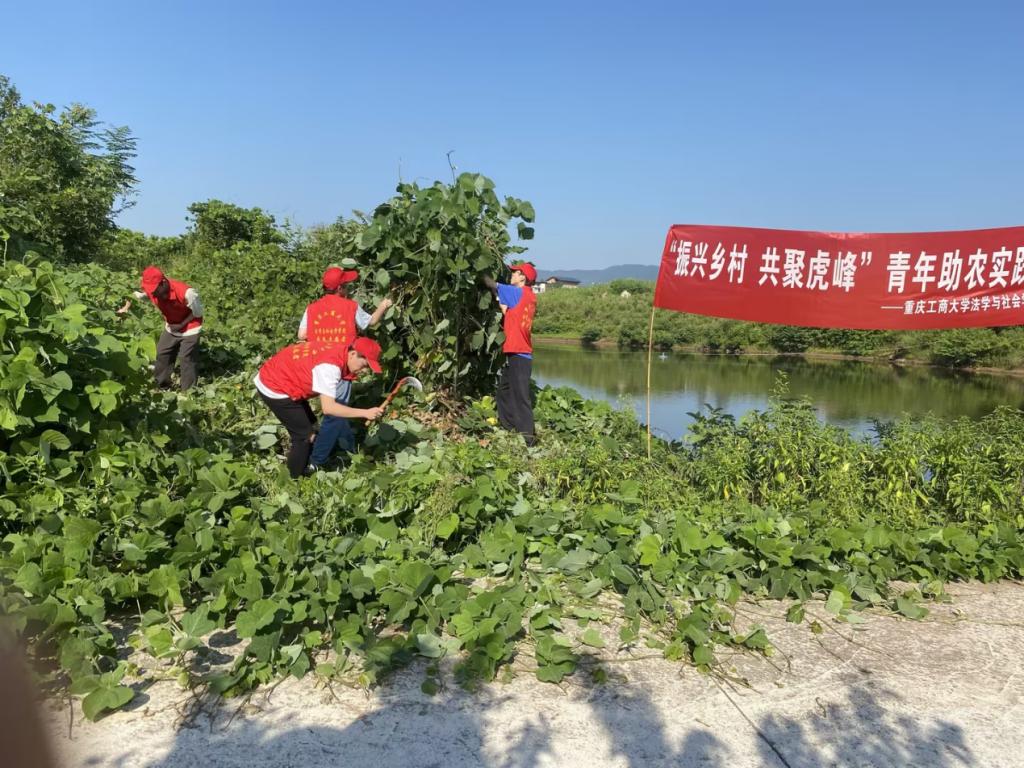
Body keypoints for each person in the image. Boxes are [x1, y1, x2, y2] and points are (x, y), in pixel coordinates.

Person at [298, 266, 393, 468]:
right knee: (333, 415)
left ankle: (350, 448)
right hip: (341, 366)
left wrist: (322, 335)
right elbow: (371, 322)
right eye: (346, 285)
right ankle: (316, 462)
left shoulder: (312, 308)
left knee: (336, 410)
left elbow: (302, 335)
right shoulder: (350, 306)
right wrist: (384, 305)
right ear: (340, 288)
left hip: (315, 366)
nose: (349, 288)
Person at [254, 336, 385, 478]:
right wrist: (365, 413)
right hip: (274, 386)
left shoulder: (341, 350)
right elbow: (329, 408)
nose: (365, 371)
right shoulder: (330, 367)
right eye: (364, 365)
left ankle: (304, 462)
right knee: (305, 437)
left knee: (313, 427)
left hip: (284, 376)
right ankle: (292, 480)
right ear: (353, 354)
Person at [118, 266, 204, 391]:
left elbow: (197, 313)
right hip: (172, 326)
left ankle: (189, 391)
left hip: (191, 327)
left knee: (186, 357)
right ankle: (162, 385)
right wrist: (125, 308)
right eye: (150, 290)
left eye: (154, 289)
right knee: (163, 352)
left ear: (163, 282)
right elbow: (134, 296)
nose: (152, 293)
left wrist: (181, 324)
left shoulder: (187, 292)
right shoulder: (153, 292)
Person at [483, 262, 538, 446]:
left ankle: (529, 441)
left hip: (520, 354)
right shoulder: (528, 296)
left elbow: (491, 284)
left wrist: (479, 272)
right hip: (516, 353)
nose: (512, 274)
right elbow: (506, 309)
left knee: (521, 396)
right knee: (504, 392)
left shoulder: (518, 293)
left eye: (515, 272)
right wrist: (498, 296)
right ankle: (509, 427)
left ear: (523, 277)